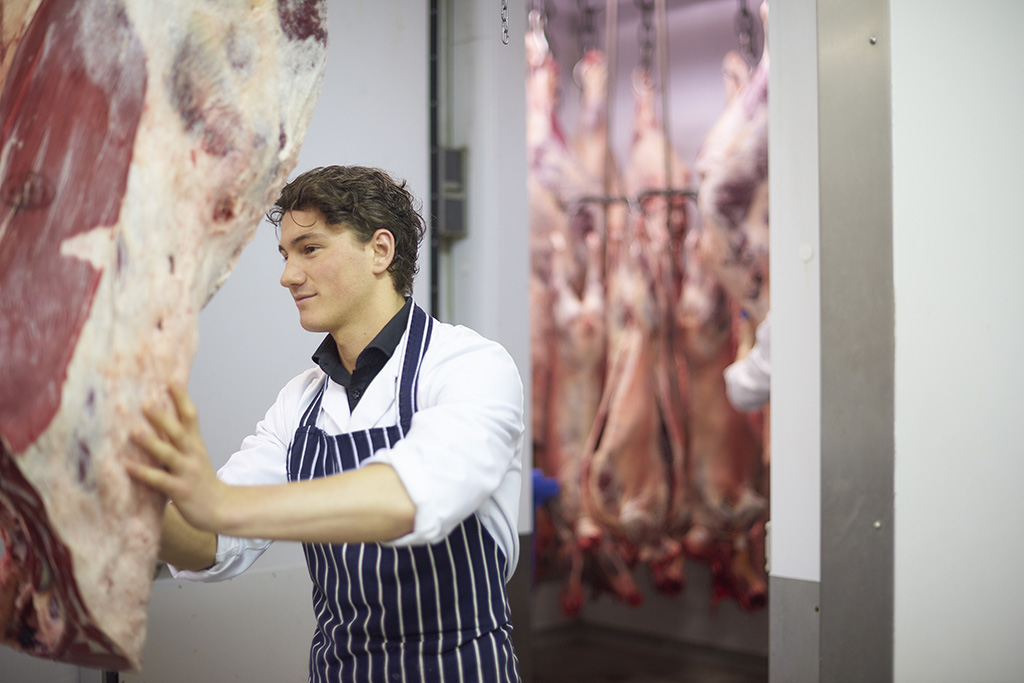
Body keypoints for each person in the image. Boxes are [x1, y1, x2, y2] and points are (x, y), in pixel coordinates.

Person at [128, 165, 525, 682]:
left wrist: (219, 502)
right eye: (285, 254)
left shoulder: (470, 366)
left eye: (309, 249)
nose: (287, 275)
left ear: (380, 251)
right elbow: (213, 543)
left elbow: (410, 499)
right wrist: (130, 505)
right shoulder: (300, 403)